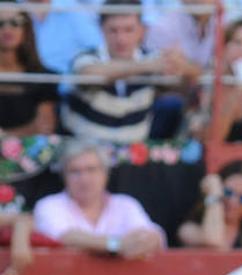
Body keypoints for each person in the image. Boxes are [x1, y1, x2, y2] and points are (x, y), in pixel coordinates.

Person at [61, 0, 198, 143]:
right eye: (113, 30)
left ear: (142, 30)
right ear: (101, 29)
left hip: (134, 154)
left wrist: (180, 63)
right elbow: (89, 74)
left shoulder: (152, 60)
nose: (121, 39)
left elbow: (189, 77)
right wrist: (146, 66)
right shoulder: (85, 58)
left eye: (128, 30)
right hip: (86, 152)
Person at [33, 139, 165, 258]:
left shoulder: (126, 204)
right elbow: (64, 237)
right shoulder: (49, 205)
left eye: (91, 170)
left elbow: (149, 234)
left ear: (105, 173)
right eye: (75, 171)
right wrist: (116, 245)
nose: (84, 179)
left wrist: (149, 239)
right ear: (64, 176)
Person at [0, 7, 57, 136]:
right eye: (0, 23)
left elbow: (45, 127)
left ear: (26, 28)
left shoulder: (43, 77)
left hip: (27, 152)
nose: (7, 29)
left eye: (15, 22)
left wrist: (5, 138)